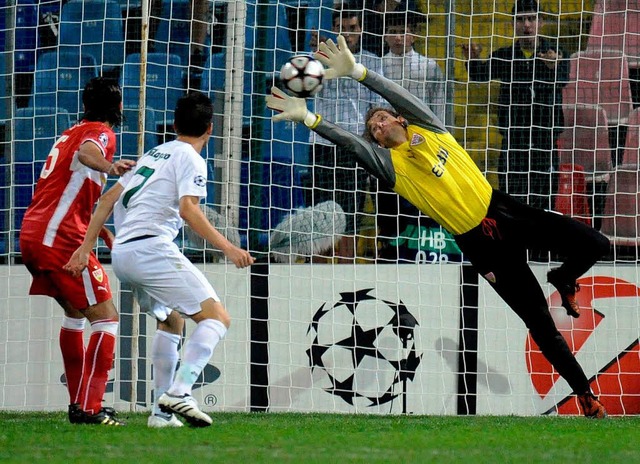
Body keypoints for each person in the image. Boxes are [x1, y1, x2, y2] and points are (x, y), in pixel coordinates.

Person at [266, 35, 610, 418]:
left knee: (597, 245)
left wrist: (358, 72)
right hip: (479, 244)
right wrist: (310, 117)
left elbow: (397, 93)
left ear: (398, 118)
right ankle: (585, 394)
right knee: (540, 324)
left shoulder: (430, 128)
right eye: (373, 129)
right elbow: (351, 144)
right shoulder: (392, 167)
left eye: (381, 118)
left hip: (505, 212)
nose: (377, 126)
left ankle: (563, 277)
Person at [64, 91, 255, 428]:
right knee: (217, 319)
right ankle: (180, 392)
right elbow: (188, 209)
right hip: (151, 248)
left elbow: (107, 199)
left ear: (175, 124)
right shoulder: (193, 160)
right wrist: (229, 247)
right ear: (210, 129)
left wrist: (87, 245)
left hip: (123, 253)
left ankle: (160, 414)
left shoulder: (153, 153)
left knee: (172, 321)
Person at [19, 77, 136, 425]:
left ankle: (79, 403)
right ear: (118, 107)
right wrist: (109, 166)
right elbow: (89, 153)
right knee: (107, 317)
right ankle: (90, 407)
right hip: (61, 239)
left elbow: (70, 192)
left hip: (33, 234)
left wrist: (101, 234)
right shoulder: (101, 132)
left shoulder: (67, 132)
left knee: (74, 314)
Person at [462, 0, 569, 213]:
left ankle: (542, 246)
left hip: (544, 141)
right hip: (513, 140)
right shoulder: (506, 55)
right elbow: (480, 75)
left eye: (531, 18)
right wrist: (472, 59)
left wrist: (552, 68)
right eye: (521, 19)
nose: (526, 25)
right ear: (513, 24)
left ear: (541, 22)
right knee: (512, 200)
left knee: (544, 203)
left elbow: (563, 79)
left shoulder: (557, 53)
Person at [309, 6, 384, 261]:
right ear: (333, 30)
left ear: (361, 30)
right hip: (322, 143)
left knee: (351, 213)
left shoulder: (372, 62)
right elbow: (301, 89)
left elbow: (377, 105)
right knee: (320, 213)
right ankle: (316, 274)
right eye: (341, 28)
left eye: (352, 28)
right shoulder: (316, 60)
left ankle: (346, 271)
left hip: (354, 144)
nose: (347, 34)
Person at [376, 11, 446, 260]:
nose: (398, 37)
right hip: (386, 147)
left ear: (413, 33)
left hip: (420, 144)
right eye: (392, 31)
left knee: (419, 196)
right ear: (384, 35)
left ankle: (419, 248)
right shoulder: (377, 65)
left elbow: (438, 107)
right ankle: (388, 249)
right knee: (387, 197)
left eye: (403, 31)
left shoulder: (428, 66)